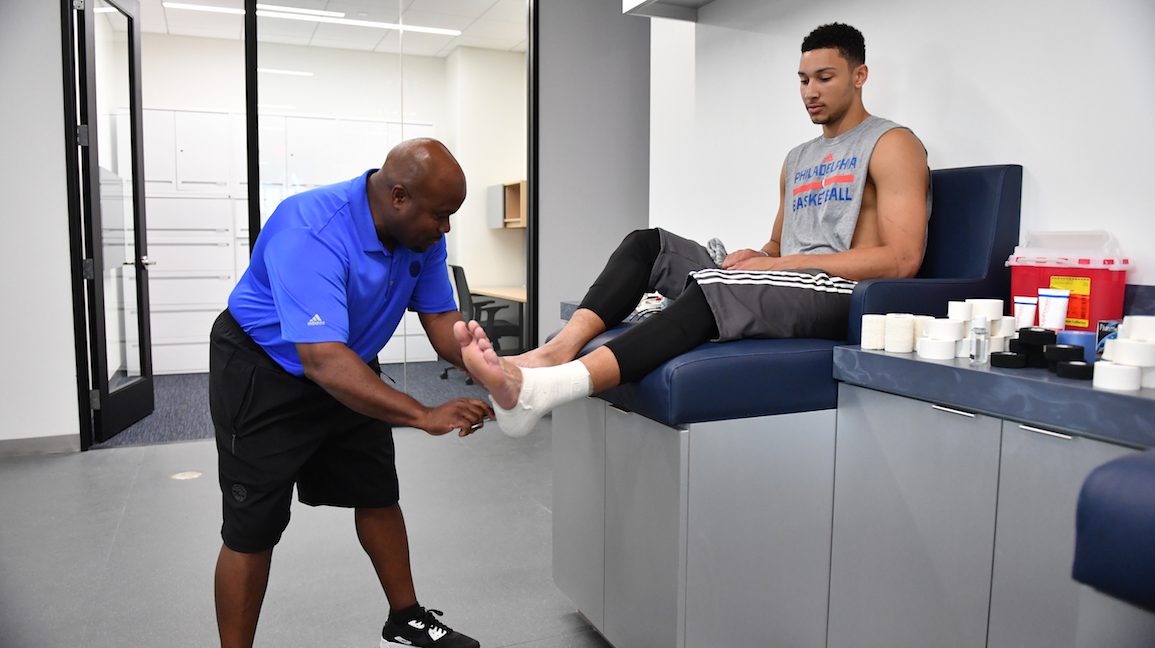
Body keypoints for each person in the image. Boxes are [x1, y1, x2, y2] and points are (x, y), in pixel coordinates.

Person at [456, 23, 932, 438]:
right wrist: (759, 254)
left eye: (825, 78)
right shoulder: (798, 158)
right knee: (649, 244)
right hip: (786, 280)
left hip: (837, 293)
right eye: (804, 80)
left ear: (859, 75)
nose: (811, 91)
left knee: (718, 285)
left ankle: (546, 391)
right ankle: (553, 352)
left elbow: (902, 259)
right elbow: (778, 244)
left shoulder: (891, 144)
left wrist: (776, 263)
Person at [209, 138, 492, 648]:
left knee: (377, 492)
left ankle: (405, 618)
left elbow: (439, 318)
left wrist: (486, 365)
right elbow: (321, 360)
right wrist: (423, 413)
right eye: (441, 215)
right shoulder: (310, 230)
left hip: (349, 360)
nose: (445, 228)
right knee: (252, 526)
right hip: (264, 368)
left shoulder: (419, 235)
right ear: (399, 196)